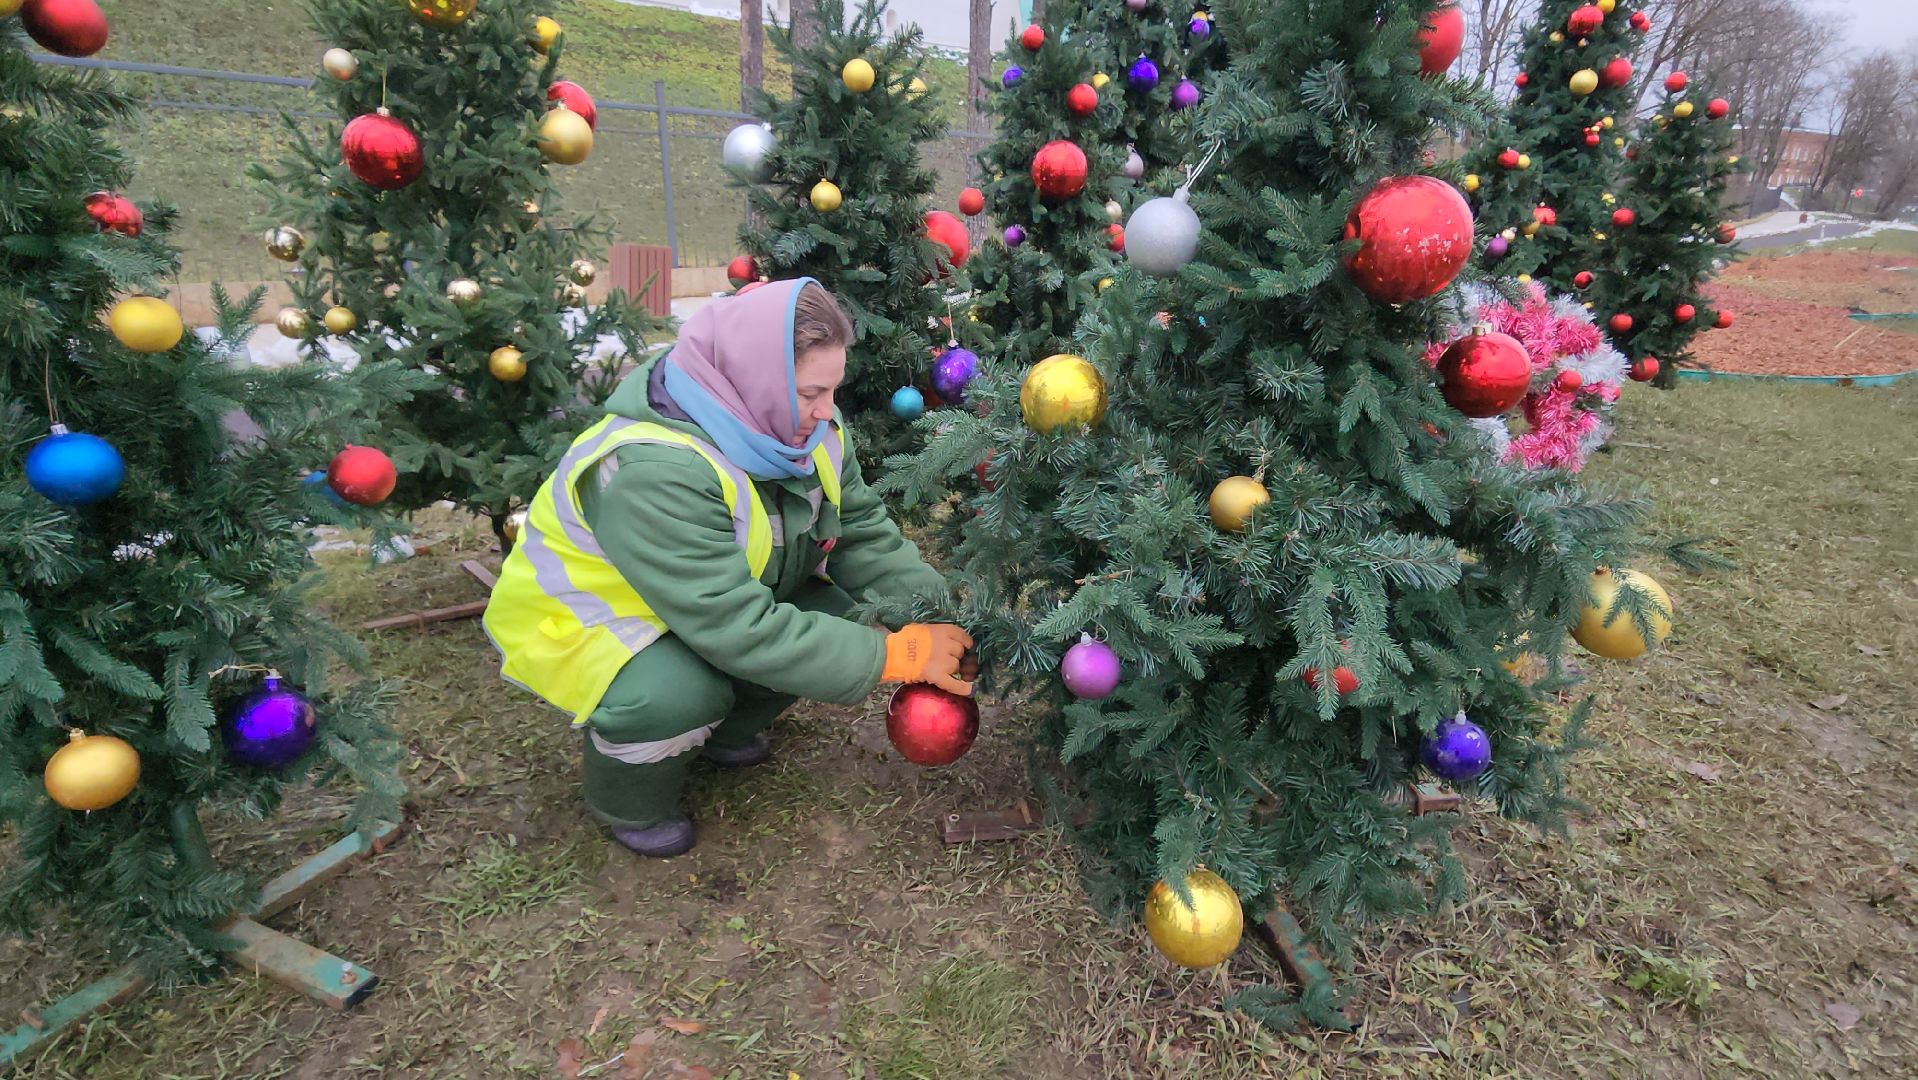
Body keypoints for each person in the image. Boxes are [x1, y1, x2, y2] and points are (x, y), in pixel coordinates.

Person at [483, 278, 974, 857]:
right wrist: (893, 655)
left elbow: (863, 534)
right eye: (810, 393)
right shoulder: (654, 469)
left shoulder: (804, 430)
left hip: (709, 604)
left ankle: (723, 732)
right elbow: (734, 626)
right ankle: (631, 801)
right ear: (756, 381)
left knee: (837, 615)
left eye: (832, 390)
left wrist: (942, 617)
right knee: (674, 695)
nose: (826, 411)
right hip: (601, 624)